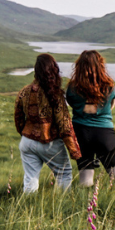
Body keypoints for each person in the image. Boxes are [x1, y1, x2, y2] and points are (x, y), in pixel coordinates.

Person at [14, 53, 81, 193]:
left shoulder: (24, 92)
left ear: (36, 71)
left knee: (30, 178)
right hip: (50, 142)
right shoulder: (55, 94)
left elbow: (18, 119)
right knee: (64, 173)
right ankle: (61, 207)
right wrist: (75, 152)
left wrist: (26, 133)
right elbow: (65, 126)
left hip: (27, 141)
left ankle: (28, 209)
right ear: (53, 70)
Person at [66, 50, 115, 186]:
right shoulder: (109, 86)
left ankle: (84, 204)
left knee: (85, 175)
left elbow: (71, 104)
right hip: (104, 132)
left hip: (80, 132)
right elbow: (111, 106)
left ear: (79, 66)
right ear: (100, 65)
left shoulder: (72, 87)